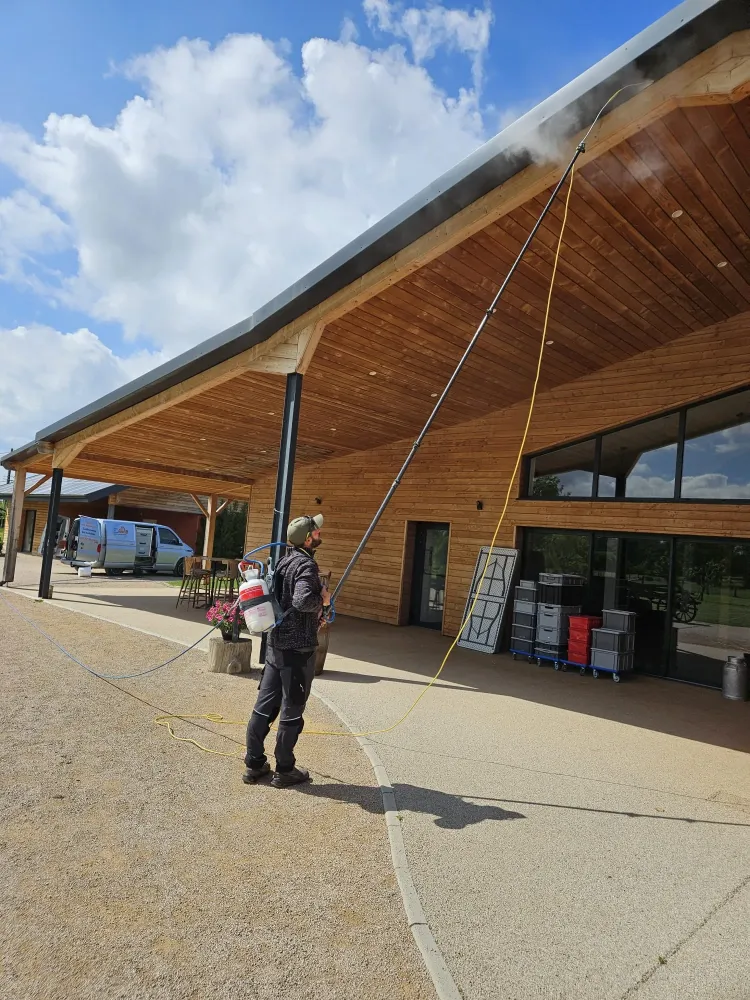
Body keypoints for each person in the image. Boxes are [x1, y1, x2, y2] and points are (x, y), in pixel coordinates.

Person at [243, 514, 330, 788]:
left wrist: (319, 611)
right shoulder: (305, 564)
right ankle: (285, 769)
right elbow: (303, 599)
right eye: (315, 532)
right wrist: (323, 600)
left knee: (265, 706)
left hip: (275, 645)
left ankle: (254, 764)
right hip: (297, 650)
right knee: (292, 710)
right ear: (307, 538)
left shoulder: (283, 561)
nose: (318, 535)